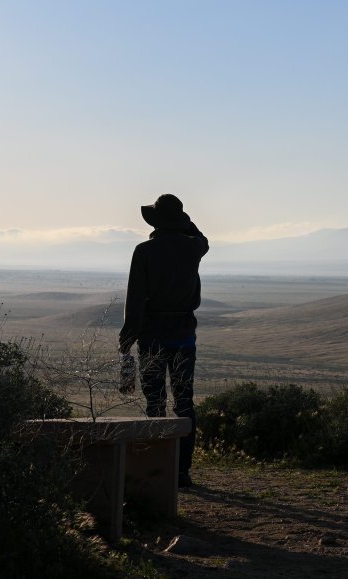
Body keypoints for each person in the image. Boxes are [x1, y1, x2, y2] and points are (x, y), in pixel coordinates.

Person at [118, 194, 208, 488]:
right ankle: (182, 471)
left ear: (156, 221)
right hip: (183, 334)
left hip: (152, 336)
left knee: (154, 402)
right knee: (185, 403)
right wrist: (185, 223)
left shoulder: (144, 251)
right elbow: (202, 238)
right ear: (180, 220)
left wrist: (128, 336)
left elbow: (135, 298)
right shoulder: (194, 247)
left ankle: (156, 468)